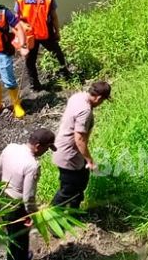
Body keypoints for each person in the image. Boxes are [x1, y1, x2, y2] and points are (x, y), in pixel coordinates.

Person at [0, 128, 56, 260]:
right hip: (16, 207)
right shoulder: (32, 165)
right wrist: (33, 215)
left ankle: (11, 256)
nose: (45, 152)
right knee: (20, 240)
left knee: (11, 235)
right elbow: (28, 198)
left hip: (3, 200)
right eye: (46, 149)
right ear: (38, 147)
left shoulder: (10, 148)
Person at [51, 81, 111, 209]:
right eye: (103, 101)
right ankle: (52, 217)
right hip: (69, 154)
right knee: (68, 189)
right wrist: (90, 161)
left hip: (69, 150)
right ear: (99, 98)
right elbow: (79, 139)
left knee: (81, 181)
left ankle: (74, 212)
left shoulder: (77, 97)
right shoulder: (85, 111)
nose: (101, 104)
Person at [14, 0, 70, 91]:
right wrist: (57, 32)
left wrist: (18, 36)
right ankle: (65, 75)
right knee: (57, 53)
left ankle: (35, 85)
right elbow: (54, 16)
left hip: (29, 34)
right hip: (46, 32)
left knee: (30, 60)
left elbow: (16, 17)